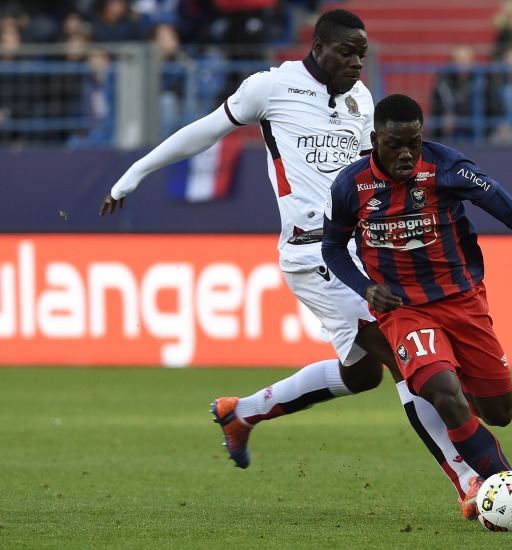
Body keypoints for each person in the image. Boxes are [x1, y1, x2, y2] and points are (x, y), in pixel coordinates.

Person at [97, 9, 486, 522]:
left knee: (364, 373)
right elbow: (206, 130)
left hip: (364, 251)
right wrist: (136, 171)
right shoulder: (271, 87)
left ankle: (242, 412)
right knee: (402, 354)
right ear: (319, 46)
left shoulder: (362, 100)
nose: (357, 63)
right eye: (347, 52)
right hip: (311, 252)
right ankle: (469, 479)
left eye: (363, 54)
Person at [322, 94, 512, 523]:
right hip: (403, 310)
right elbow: (332, 248)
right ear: (374, 139)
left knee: (499, 412)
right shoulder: (349, 186)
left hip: (462, 300)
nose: (406, 153)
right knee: (445, 396)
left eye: (414, 142)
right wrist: (367, 288)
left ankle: (455, 385)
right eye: (394, 144)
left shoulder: (449, 169)